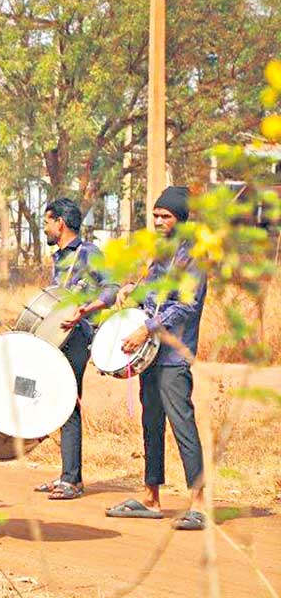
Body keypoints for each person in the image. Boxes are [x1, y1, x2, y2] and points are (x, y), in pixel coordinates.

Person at [106, 186, 208, 531]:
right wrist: (130, 290)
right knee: (152, 424)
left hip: (173, 358)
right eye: (156, 215)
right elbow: (152, 292)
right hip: (150, 357)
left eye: (165, 216)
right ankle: (151, 498)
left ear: (181, 218)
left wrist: (146, 329)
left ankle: (198, 503)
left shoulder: (193, 257)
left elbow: (185, 305)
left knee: (182, 426)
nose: (158, 221)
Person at [34, 197, 119, 500]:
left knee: (68, 403)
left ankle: (73, 479)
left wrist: (84, 311)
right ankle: (66, 475)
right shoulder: (60, 257)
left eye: (47, 221)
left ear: (60, 223)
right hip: (59, 338)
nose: (44, 227)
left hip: (77, 338)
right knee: (57, 402)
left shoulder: (89, 253)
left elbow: (111, 290)